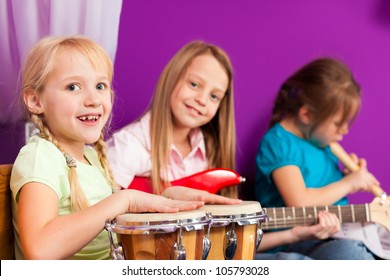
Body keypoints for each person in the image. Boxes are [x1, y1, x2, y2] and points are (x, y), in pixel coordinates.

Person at [10, 36, 208, 260]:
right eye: (73, 87)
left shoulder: (91, 157)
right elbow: (40, 249)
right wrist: (123, 200)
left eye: (100, 86)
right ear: (36, 100)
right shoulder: (40, 156)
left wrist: (167, 198)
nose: (93, 99)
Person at [254, 57, 379, 259]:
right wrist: (349, 183)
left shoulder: (320, 141)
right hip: (301, 240)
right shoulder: (278, 143)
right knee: (353, 257)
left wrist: (344, 176)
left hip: (337, 231)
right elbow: (301, 202)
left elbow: (324, 189)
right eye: (338, 124)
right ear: (307, 115)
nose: (345, 130)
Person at [107, 41, 238, 199]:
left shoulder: (210, 153)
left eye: (214, 96)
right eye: (194, 84)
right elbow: (102, 209)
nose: (202, 100)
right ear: (172, 78)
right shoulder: (130, 144)